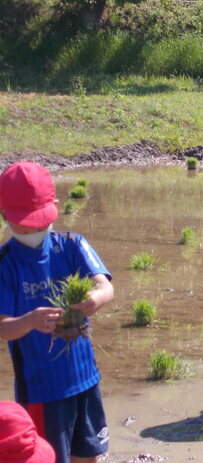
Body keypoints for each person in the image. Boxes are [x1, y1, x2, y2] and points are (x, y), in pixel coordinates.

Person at [0, 162, 114, 463]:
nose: (35, 231)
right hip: (41, 390)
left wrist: (95, 298)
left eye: (40, 223)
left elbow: (104, 286)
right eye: (26, 225)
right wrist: (28, 321)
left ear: (55, 209)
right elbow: (2, 327)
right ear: (5, 217)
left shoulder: (72, 245)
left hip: (85, 378)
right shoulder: (5, 264)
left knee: (89, 452)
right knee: (47, 457)